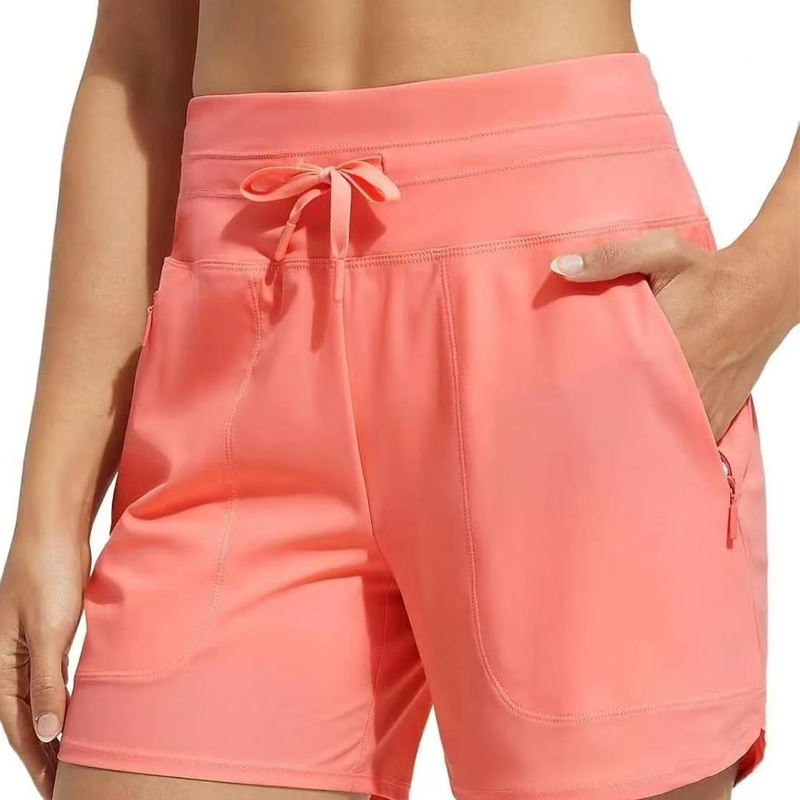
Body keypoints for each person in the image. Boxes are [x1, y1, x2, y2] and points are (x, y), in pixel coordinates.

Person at [0, 2, 797, 800]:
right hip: (238, 355)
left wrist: (762, 289)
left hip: (561, 308)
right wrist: (50, 514)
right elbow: (140, 67)